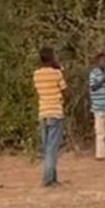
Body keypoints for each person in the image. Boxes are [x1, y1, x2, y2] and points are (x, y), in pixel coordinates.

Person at [32, 47, 67, 187]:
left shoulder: (36, 74)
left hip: (43, 112)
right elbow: (64, 90)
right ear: (52, 57)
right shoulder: (57, 73)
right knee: (52, 148)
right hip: (55, 112)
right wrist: (59, 68)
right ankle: (47, 179)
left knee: (47, 147)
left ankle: (52, 177)